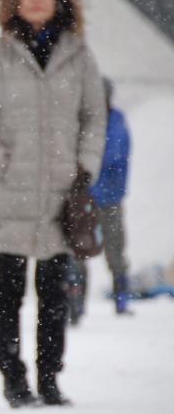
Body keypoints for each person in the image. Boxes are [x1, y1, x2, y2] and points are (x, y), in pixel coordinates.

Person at [0, 0, 106, 407]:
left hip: (62, 195)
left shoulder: (79, 55)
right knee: (7, 293)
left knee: (54, 294)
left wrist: (84, 167)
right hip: (10, 190)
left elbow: (94, 118)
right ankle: (13, 380)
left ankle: (49, 378)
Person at [68, 77, 133, 321]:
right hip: (85, 196)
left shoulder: (114, 122)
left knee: (115, 249)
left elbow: (109, 154)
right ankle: (76, 303)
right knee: (78, 249)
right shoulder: (84, 122)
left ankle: (121, 297)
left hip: (108, 197)